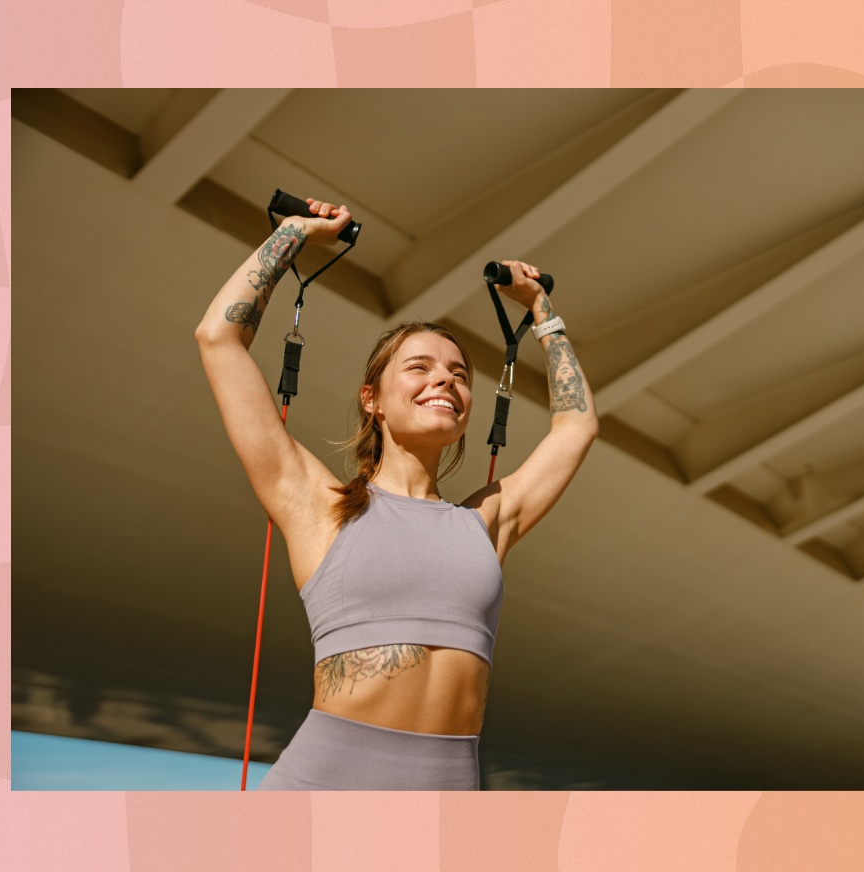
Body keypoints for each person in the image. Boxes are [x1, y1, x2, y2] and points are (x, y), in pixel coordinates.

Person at [194, 198, 599, 790]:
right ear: (372, 399)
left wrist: (543, 311)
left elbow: (577, 425)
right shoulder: (319, 503)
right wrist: (296, 234)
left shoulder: (485, 521)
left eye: (459, 373)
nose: (445, 379)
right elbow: (219, 339)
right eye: (419, 367)